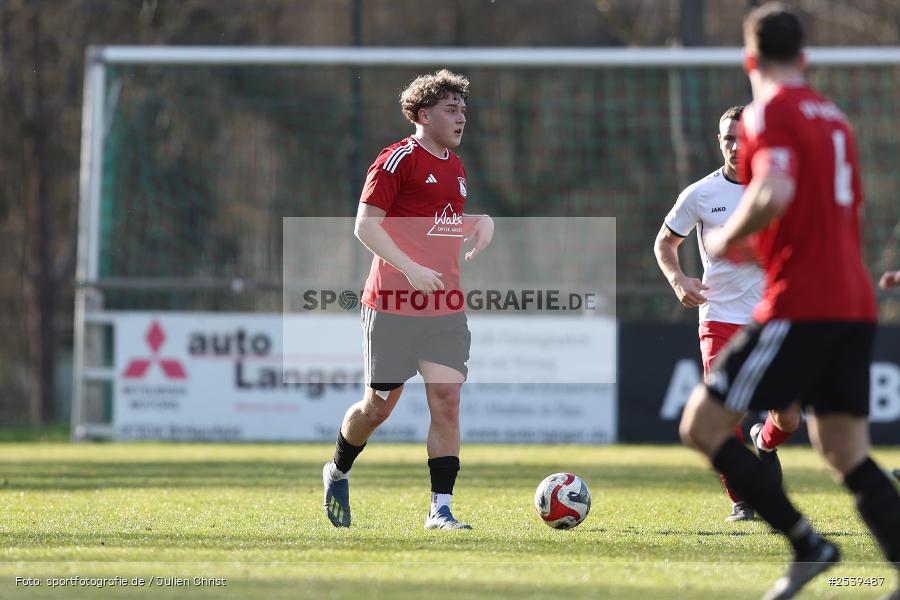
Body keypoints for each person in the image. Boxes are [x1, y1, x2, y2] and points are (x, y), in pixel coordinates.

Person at [678, 4, 900, 599]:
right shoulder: (835, 118)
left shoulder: (769, 113)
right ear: (804, 58)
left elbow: (772, 191)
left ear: (749, 60)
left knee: (701, 425)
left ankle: (807, 544)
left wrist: (726, 236)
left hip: (804, 303)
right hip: (853, 301)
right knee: (844, 449)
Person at [322, 69, 494, 530]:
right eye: (451, 109)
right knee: (377, 408)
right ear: (423, 115)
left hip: (444, 308)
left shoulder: (456, 167)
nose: (461, 118)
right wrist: (411, 269)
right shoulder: (396, 159)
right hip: (392, 306)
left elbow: (436, 225)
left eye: (463, 109)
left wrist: (479, 221)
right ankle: (337, 469)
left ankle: (440, 509)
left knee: (447, 401)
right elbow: (366, 226)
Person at [654, 105, 800, 523]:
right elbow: (664, 242)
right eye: (729, 139)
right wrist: (679, 280)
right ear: (719, 142)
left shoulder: (776, 190)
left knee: (789, 417)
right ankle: (742, 500)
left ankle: (764, 442)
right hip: (718, 318)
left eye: (743, 138)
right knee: (721, 419)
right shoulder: (701, 194)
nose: (736, 146)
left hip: (771, 319)